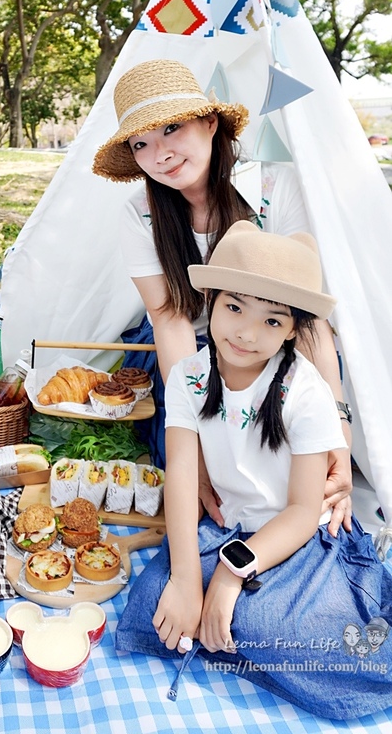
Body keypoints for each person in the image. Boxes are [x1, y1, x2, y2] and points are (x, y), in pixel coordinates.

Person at [114, 222, 392, 719]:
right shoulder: (188, 378)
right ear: (212, 303)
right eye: (235, 307)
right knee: (152, 601)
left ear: (292, 328)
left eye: (272, 320)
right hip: (224, 528)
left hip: (292, 540)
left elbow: (305, 512)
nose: (245, 332)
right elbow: (181, 473)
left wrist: (227, 575)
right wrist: (185, 579)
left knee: (268, 622)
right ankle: (244, 644)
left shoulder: (305, 392)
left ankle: (241, 638)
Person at [92, 58, 352, 531]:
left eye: (172, 128)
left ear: (210, 123)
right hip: (192, 355)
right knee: (197, 478)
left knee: (295, 472)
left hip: (276, 346)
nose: (161, 153)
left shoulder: (273, 188)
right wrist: (191, 433)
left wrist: (338, 424)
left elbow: (307, 317)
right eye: (141, 143)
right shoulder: (140, 214)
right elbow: (169, 321)